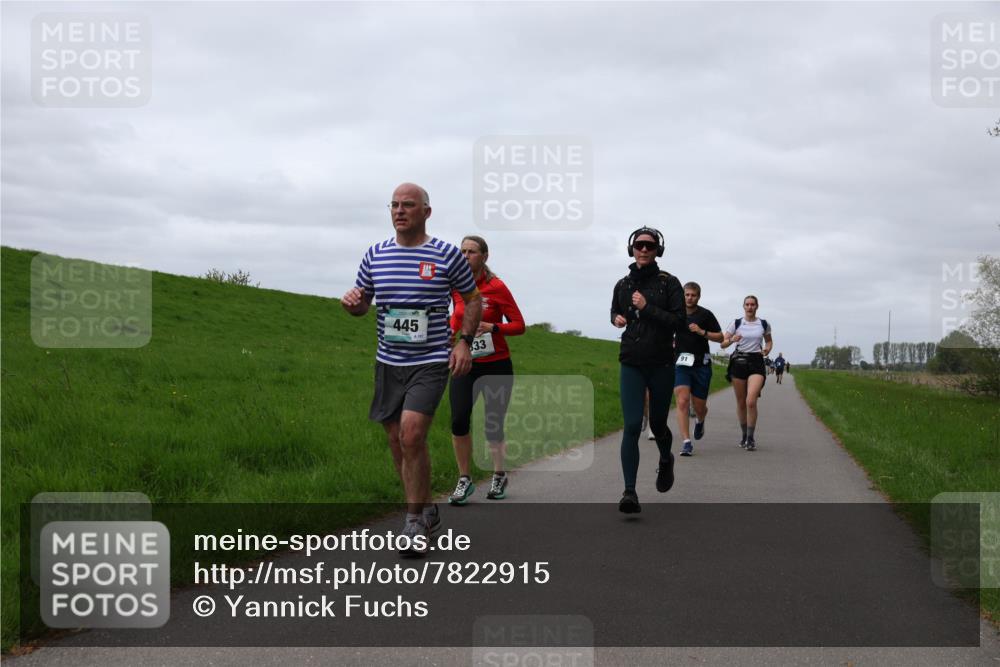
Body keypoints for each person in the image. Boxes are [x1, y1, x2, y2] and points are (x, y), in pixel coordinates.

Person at [342, 183, 482, 555]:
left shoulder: (446, 255)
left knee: (412, 434)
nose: (400, 211)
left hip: (431, 361)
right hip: (388, 362)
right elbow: (362, 303)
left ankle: (413, 522)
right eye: (394, 205)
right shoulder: (376, 254)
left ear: (426, 212)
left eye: (408, 205)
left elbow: (472, 300)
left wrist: (464, 342)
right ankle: (426, 509)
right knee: (396, 441)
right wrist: (352, 302)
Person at [610, 227, 684, 513]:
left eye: (649, 246)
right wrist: (616, 318)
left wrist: (648, 306)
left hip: (662, 362)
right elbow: (617, 312)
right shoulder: (622, 284)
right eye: (639, 245)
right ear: (632, 249)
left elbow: (679, 321)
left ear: (657, 251)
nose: (643, 249)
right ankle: (629, 492)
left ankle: (666, 458)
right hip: (631, 360)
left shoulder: (669, 283)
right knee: (631, 426)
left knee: (657, 424)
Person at [447, 235, 525, 504]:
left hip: (496, 365)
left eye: (471, 252)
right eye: (463, 251)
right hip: (464, 364)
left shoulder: (497, 287)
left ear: (484, 257)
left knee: (493, 424)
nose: (466, 256)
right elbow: (455, 317)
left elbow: (519, 324)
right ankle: (464, 479)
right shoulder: (455, 287)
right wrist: (449, 332)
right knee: (458, 419)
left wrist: (494, 327)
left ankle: (499, 474)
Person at [673, 282, 723, 457]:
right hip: (681, 364)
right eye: (686, 294)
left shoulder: (705, 314)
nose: (689, 298)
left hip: (701, 365)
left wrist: (702, 332)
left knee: (699, 406)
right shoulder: (675, 313)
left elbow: (720, 337)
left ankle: (700, 419)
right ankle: (686, 442)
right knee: (682, 400)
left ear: (698, 296)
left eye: (693, 295)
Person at [720, 295, 773, 451]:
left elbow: (769, 340)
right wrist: (732, 340)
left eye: (752, 304)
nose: (750, 307)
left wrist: (767, 349)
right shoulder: (736, 323)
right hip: (739, 362)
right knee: (741, 402)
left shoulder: (763, 324)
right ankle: (744, 435)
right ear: (743, 307)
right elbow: (722, 343)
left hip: (756, 361)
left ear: (757, 306)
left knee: (751, 401)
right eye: (747, 304)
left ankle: (751, 438)